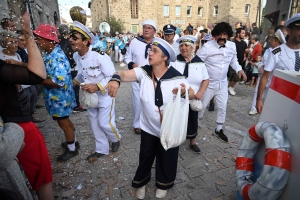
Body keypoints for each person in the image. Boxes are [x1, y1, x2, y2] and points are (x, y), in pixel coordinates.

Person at [106, 37, 194, 199]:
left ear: (165, 57)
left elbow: (192, 93)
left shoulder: (177, 77)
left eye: (155, 51)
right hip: (148, 127)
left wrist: (184, 92)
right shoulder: (144, 72)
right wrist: (115, 79)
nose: (150, 53)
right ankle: (142, 182)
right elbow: (123, 73)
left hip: (169, 128)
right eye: (150, 50)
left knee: (167, 157)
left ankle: (163, 183)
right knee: (146, 156)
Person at [0, 12, 54, 200]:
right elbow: (38, 74)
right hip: (16, 126)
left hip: (15, 121)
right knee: (40, 176)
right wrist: (14, 135)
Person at [70, 21, 121, 160]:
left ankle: (115, 139)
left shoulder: (99, 55)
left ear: (86, 41)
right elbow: (82, 72)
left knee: (105, 123)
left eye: (75, 38)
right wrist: (74, 82)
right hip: (90, 97)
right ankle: (102, 149)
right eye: (71, 37)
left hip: (105, 95)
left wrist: (97, 86)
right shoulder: (77, 56)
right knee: (95, 123)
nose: (70, 40)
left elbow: (112, 75)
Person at [33, 23, 78, 162]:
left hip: (60, 99)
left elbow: (59, 82)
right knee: (64, 122)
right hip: (56, 99)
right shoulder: (49, 53)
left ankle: (72, 149)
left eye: (40, 38)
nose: (38, 41)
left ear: (49, 40)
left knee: (64, 123)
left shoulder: (57, 57)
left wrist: (37, 80)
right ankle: (72, 142)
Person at [196, 22, 247, 142]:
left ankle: (219, 129)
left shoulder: (232, 46)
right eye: (219, 34)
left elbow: (233, 60)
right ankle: (194, 127)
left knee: (222, 106)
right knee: (201, 107)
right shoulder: (208, 47)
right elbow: (197, 62)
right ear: (215, 35)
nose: (222, 37)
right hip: (208, 84)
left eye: (225, 34)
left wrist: (240, 70)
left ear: (228, 35)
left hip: (223, 83)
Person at [256, 13, 300, 114]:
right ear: (289, 31)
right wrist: (259, 100)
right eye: (299, 29)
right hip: (278, 99)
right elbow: (265, 77)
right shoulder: (276, 52)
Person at [173, 35, 209, 153]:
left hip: (193, 98)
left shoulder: (199, 63)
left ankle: (192, 141)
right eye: (181, 46)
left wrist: (201, 92)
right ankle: (175, 140)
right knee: (176, 119)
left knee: (193, 119)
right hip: (177, 97)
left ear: (192, 48)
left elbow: (206, 79)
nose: (183, 48)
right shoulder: (174, 61)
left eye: (186, 45)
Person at [124, 19, 157, 134]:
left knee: (151, 100)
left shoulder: (158, 43)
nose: (146, 30)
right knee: (137, 101)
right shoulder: (135, 42)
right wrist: (132, 65)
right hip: (137, 76)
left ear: (154, 31)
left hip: (153, 76)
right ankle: (137, 123)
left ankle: (150, 123)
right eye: (145, 27)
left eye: (149, 28)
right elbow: (127, 57)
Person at [58, 24, 86, 113]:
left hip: (64, 69)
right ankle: (76, 105)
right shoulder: (70, 43)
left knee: (68, 88)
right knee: (75, 88)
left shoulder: (59, 43)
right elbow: (74, 55)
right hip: (72, 68)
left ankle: (70, 105)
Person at [228, 28, 248, 95]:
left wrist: (245, 56)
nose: (244, 34)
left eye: (244, 33)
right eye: (242, 33)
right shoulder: (233, 42)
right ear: (238, 34)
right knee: (237, 77)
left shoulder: (244, 42)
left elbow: (245, 50)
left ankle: (229, 87)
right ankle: (231, 87)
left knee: (232, 77)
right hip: (233, 62)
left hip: (241, 62)